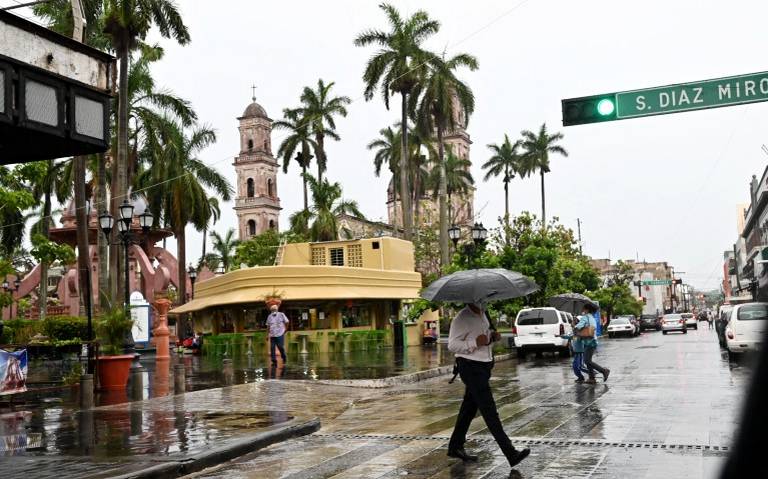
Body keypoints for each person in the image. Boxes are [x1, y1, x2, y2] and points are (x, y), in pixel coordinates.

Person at [447, 303, 530, 469]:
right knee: (489, 410)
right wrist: (473, 342)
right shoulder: (462, 317)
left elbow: (485, 341)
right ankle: (510, 453)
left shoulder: (484, 314)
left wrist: (492, 338)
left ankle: (455, 446)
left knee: (468, 409)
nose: (482, 300)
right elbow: (452, 345)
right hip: (470, 367)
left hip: (484, 367)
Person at [580, 304, 610, 384]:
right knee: (588, 360)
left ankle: (604, 371)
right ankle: (591, 378)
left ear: (586, 309)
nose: (582, 309)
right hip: (591, 341)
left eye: (583, 308)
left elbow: (578, 327)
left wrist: (575, 326)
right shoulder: (591, 317)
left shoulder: (585, 317)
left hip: (589, 342)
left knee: (587, 360)